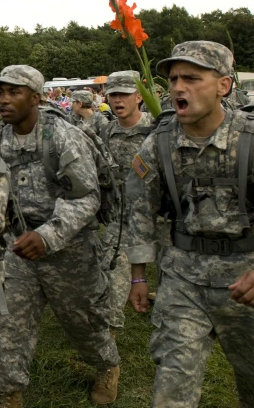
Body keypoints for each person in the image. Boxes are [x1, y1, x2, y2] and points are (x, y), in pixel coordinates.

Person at [126, 41, 254, 407]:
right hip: (182, 281)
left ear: (223, 85)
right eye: (174, 78)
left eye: (192, 78)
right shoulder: (158, 145)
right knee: (171, 391)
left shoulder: (250, 140)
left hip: (245, 283)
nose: (178, 87)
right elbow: (139, 211)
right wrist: (138, 276)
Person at [0, 65, 120, 407]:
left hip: (69, 249)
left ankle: (107, 366)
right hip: (18, 249)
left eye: (13, 92)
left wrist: (47, 236)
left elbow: (86, 196)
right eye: (0, 92)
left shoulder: (62, 136)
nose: (3, 99)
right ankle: (9, 392)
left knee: (84, 322)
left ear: (36, 98)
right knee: (9, 323)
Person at [99, 71, 153, 333]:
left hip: (159, 220)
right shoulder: (107, 131)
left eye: (124, 94)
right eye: (113, 94)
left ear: (139, 97)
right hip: (121, 221)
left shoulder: (157, 130)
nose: (118, 100)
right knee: (109, 280)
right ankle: (108, 347)